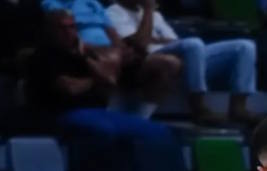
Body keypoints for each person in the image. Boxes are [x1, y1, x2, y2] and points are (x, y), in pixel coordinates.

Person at [106, 0, 261, 126]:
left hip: (183, 58)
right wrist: (148, 10)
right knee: (193, 43)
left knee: (244, 46)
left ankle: (238, 107)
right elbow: (140, 44)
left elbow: (174, 41)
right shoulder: (113, 12)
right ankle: (198, 106)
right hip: (151, 60)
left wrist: (154, 36)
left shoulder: (156, 15)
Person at [25, 10, 172, 141]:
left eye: (72, 27)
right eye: (62, 28)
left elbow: (110, 82)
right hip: (61, 115)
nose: (69, 32)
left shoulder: (83, 54)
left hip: (98, 113)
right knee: (105, 131)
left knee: (158, 131)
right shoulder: (42, 56)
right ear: (50, 31)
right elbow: (70, 87)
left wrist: (85, 57)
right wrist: (95, 80)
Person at [41, 0, 180, 113]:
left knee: (167, 64)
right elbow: (65, 34)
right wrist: (94, 50)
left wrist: (122, 49)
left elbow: (111, 33)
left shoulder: (92, 3)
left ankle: (140, 120)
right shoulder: (51, 3)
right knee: (108, 62)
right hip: (86, 51)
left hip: (110, 52)